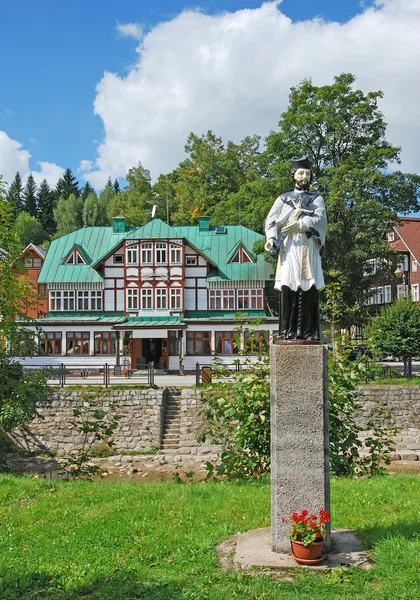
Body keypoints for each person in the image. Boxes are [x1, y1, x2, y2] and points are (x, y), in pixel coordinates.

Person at [265, 156, 327, 341]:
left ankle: (309, 331)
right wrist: (271, 238)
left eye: (307, 174)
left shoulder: (316, 199)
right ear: (293, 175)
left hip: (308, 248)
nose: (304, 177)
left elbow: (321, 220)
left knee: (308, 286)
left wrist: (302, 226)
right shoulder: (283, 199)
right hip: (290, 248)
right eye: (301, 173)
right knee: (288, 285)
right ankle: (286, 331)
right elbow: (272, 220)